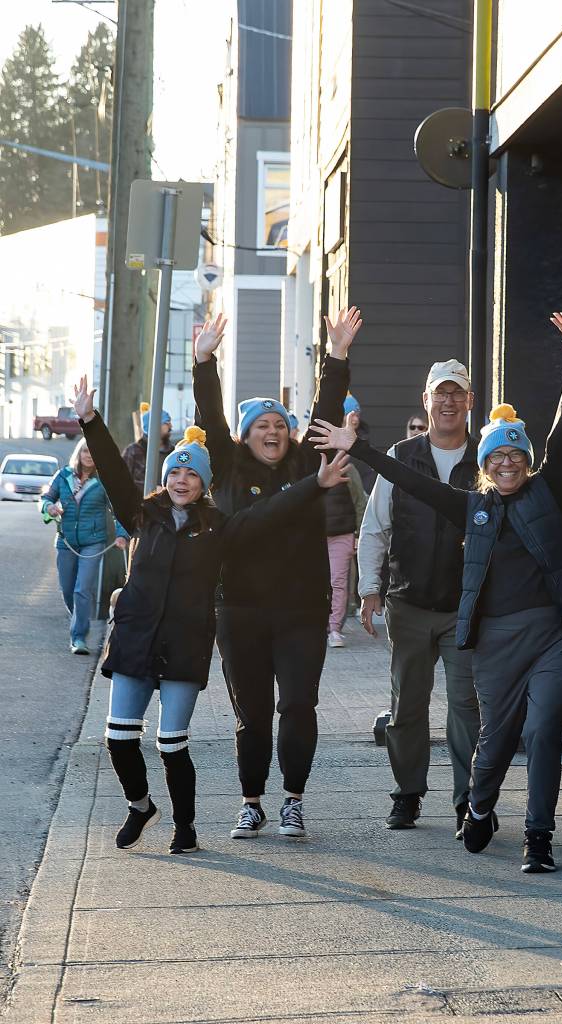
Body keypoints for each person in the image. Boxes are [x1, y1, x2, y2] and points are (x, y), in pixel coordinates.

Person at [313, 312, 562, 873]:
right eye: (496, 458)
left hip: (557, 637)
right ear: (484, 468)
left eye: (516, 455)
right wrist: (360, 448)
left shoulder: (548, 492)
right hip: (495, 641)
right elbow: (411, 482)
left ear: (527, 461)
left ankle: (538, 837)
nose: (507, 463)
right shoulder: (474, 507)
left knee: (542, 731)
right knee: (492, 741)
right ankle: (479, 807)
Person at [72, 375, 351, 855]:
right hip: (146, 638)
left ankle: (192, 826)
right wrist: (90, 421)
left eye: (192, 474)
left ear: (205, 484)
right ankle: (143, 806)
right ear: (165, 478)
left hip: (194, 640)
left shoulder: (218, 526)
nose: (181, 480)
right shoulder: (143, 515)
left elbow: (266, 514)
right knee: (121, 738)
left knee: (174, 741)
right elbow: (115, 472)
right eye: (175, 473)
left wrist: (315, 483)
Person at [192, 308, 362, 840]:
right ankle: (251, 803)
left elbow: (326, 409)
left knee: (298, 705)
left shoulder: (306, 465)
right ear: (246, 436)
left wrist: (336, 356)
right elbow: (211, 417)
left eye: (280, 425)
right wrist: (204, 362)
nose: (273, 431)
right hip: (239, 609)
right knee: (253, 713)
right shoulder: (226, 467)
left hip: (301, 611)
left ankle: (292, 800)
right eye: (262, 426)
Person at [356, 358, 480, 834]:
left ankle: (469, 801)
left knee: (466, 708)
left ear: (470, 401)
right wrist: (369, 589)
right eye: (440, 393)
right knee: (407, 706)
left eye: (457, 393)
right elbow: (375, 527)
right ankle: (407, 794)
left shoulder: (485, 456)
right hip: (407, 603)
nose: (448, 402)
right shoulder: (401, 455)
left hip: (465, 608)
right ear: (425, 400)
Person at [40, 438, 129, 655]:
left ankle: (79, 637)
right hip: (66, 542)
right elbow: (45, 498)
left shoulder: (104, 480)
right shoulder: (63, 476)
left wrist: (122, 535)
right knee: (68, 590)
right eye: (86, 451)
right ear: (79, 453)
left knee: (82, 589)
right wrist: (49, 507)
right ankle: (79, 619)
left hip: (94, 542)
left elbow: (118, 510)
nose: (89, 456)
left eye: (93, 452)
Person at [325, 413, 369, 648]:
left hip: (342, 532)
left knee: (338, 581)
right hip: (313, 534)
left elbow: (360, 502)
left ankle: (334, 627)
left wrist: (359, 534)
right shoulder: (306, 465)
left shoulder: (348, 469)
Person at [121, 402, 174, 495]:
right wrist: (151, 489)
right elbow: (121, 480)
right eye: (166, 422)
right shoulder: (133, 451)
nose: (170, 426)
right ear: (154, 426)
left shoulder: (173, 452)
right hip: (138, 503)